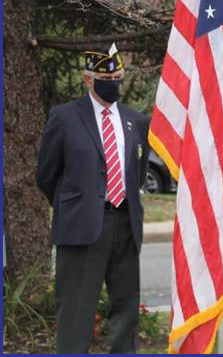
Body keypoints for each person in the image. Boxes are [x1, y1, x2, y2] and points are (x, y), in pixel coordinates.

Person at [36, 44, 150, 353]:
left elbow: (136, 173)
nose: (114, 82)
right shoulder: (65, 117)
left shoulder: (135, 121)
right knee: (76, 312)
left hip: (125, 224)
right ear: (89, 80)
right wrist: (76, 206)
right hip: (82, 227)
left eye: (118, 76)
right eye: (106, 77)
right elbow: (47, 174)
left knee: (126, 310)